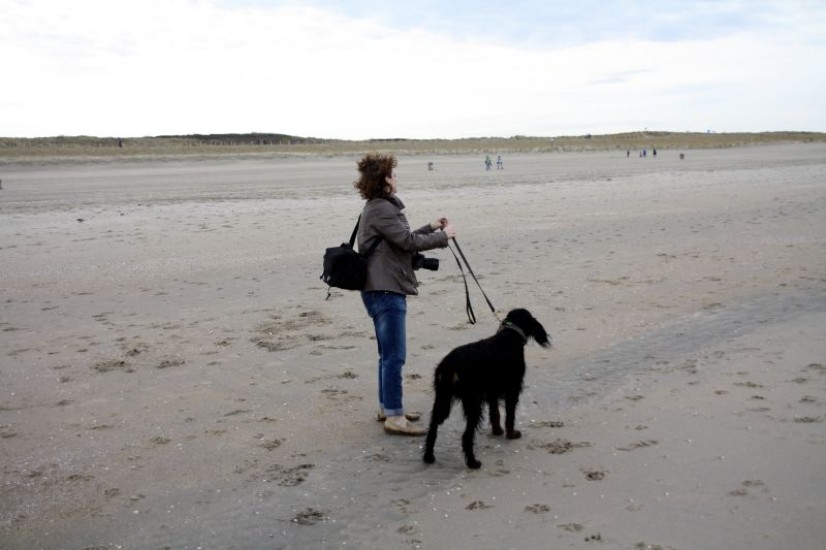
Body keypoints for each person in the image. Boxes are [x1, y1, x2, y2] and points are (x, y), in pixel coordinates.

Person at [354, 153, 456, 436]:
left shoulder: (378, 207)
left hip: (379, 287)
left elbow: (400, 238)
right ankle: (394, 417)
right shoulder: (381, 209)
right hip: (385, 289)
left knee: (387, 354)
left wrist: (431, 228)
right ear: (385, 180)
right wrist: (443, 237)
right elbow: (408, 242)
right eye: (393, 174)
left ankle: (389, 407)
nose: (396, 178)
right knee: (394, 356)